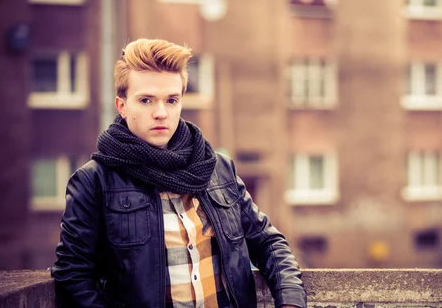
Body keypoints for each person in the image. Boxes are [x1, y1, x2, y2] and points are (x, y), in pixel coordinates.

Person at [51, 38, 306, 308]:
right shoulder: (94, 181)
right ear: (122, 106)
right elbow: (72, 276)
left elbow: (268, 242)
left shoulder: (216, 168)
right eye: (146, 100)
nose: (161, 113)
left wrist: (290, 301)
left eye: (171, 100)